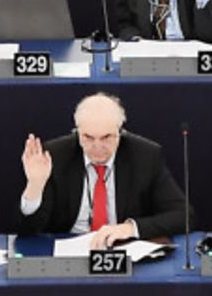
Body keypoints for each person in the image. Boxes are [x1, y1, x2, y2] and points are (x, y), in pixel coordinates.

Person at [18, 93, 189, 244]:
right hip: (70, 249)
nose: (97, 146)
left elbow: (183, 215)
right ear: (77, 132)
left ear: (120, 132)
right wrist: (35, 186)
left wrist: (129, 228)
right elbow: (26, 230)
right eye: (88, 137)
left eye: (106, 137)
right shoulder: (55, 156)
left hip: (122, 249)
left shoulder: (145, 156)